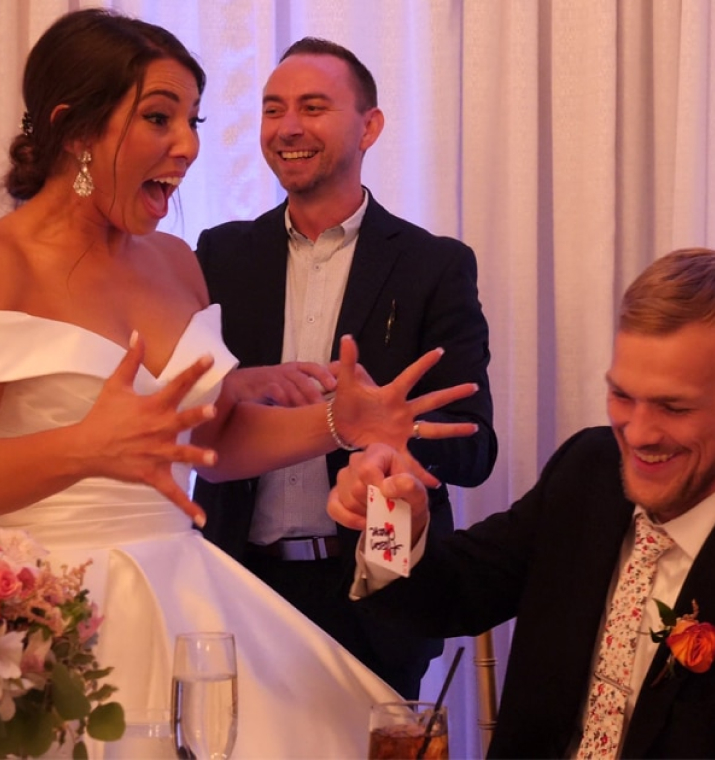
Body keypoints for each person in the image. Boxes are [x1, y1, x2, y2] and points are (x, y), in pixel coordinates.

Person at [0, 9, 478, 759]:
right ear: (74, 128)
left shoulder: (173, 261)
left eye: (192, 120)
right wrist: (83, 445)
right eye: (159, 118)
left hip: (193, 599)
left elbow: (214, 435)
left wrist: (339, 423)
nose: (188, 146)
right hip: (53, 618)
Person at [193, 36, 496, 699]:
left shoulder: (432, 265)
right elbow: (189, 420)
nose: (288, 127)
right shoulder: (219, 255)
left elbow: (475, 449)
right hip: (234, 583)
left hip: (374, 585)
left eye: (312, 106)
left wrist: (391, 433)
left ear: (370, 125)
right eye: (273, 110)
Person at [328, 247, 715, 758]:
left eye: (673, 407)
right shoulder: (589, 469)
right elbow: (450, 596)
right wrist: (393, 521)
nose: (638, 433)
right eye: (622, 396)